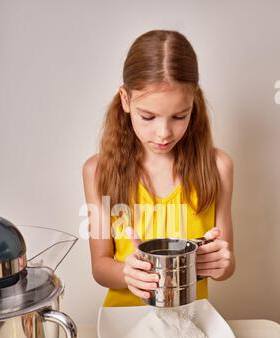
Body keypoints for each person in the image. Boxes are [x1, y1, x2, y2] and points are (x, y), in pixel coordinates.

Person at [82, 29, 235, 307]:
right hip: (124, 323)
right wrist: (128, 273)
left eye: (179, 116)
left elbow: (226, 265)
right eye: (148, 117)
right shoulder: (97, 171)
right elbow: (100, 267)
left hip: (189, 321)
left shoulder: (218, 166)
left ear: (193, 104)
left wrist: (219, 263)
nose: (163, 133)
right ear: (126, 100)